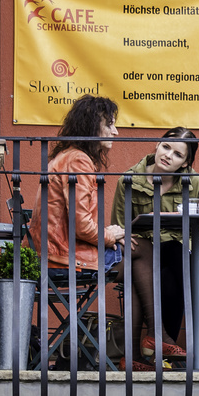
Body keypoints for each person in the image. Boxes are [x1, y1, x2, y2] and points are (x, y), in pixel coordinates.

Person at [109, 126, 199, 364]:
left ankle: (161, 350)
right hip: (144, 254)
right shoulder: (128, 180)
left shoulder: (195, 182)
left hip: (184, 254)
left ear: (185, 163)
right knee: (174, 268)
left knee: (175, 264)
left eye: (177, 154)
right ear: (157, 146)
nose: (168, 155)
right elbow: (119, 229)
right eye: (165, 147)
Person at [46, 95, 126, 364]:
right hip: (65, 258)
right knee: (142, 255)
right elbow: (81, 225)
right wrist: (109, 235)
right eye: (110, 124)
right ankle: (134, 347)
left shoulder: (67, 156)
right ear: (92, 126)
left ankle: (131, 346)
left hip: (57, 252)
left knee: (139, 256)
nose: (116, 131)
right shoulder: (79, 161)